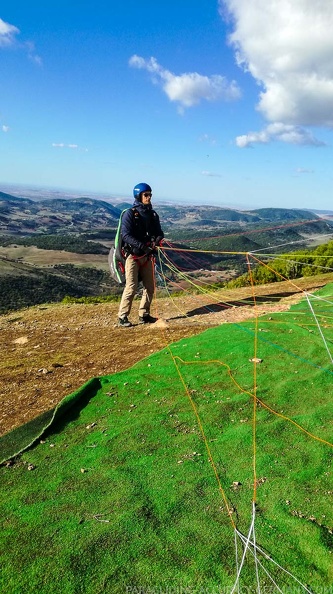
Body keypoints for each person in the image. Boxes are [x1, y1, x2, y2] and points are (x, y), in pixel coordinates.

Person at [118, 182, 164, 327]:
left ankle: (144, 314)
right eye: (146, 195)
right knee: (131, 287)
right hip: (133, 256)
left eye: (150, 195)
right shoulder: (130, 214)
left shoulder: (152, 214)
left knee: (150, 287)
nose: (149, 197)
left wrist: (155, 242)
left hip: (147, 256)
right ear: (139, 196)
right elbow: (125, 235)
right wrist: (143, 247)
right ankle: (122, 317)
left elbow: (159, 233)